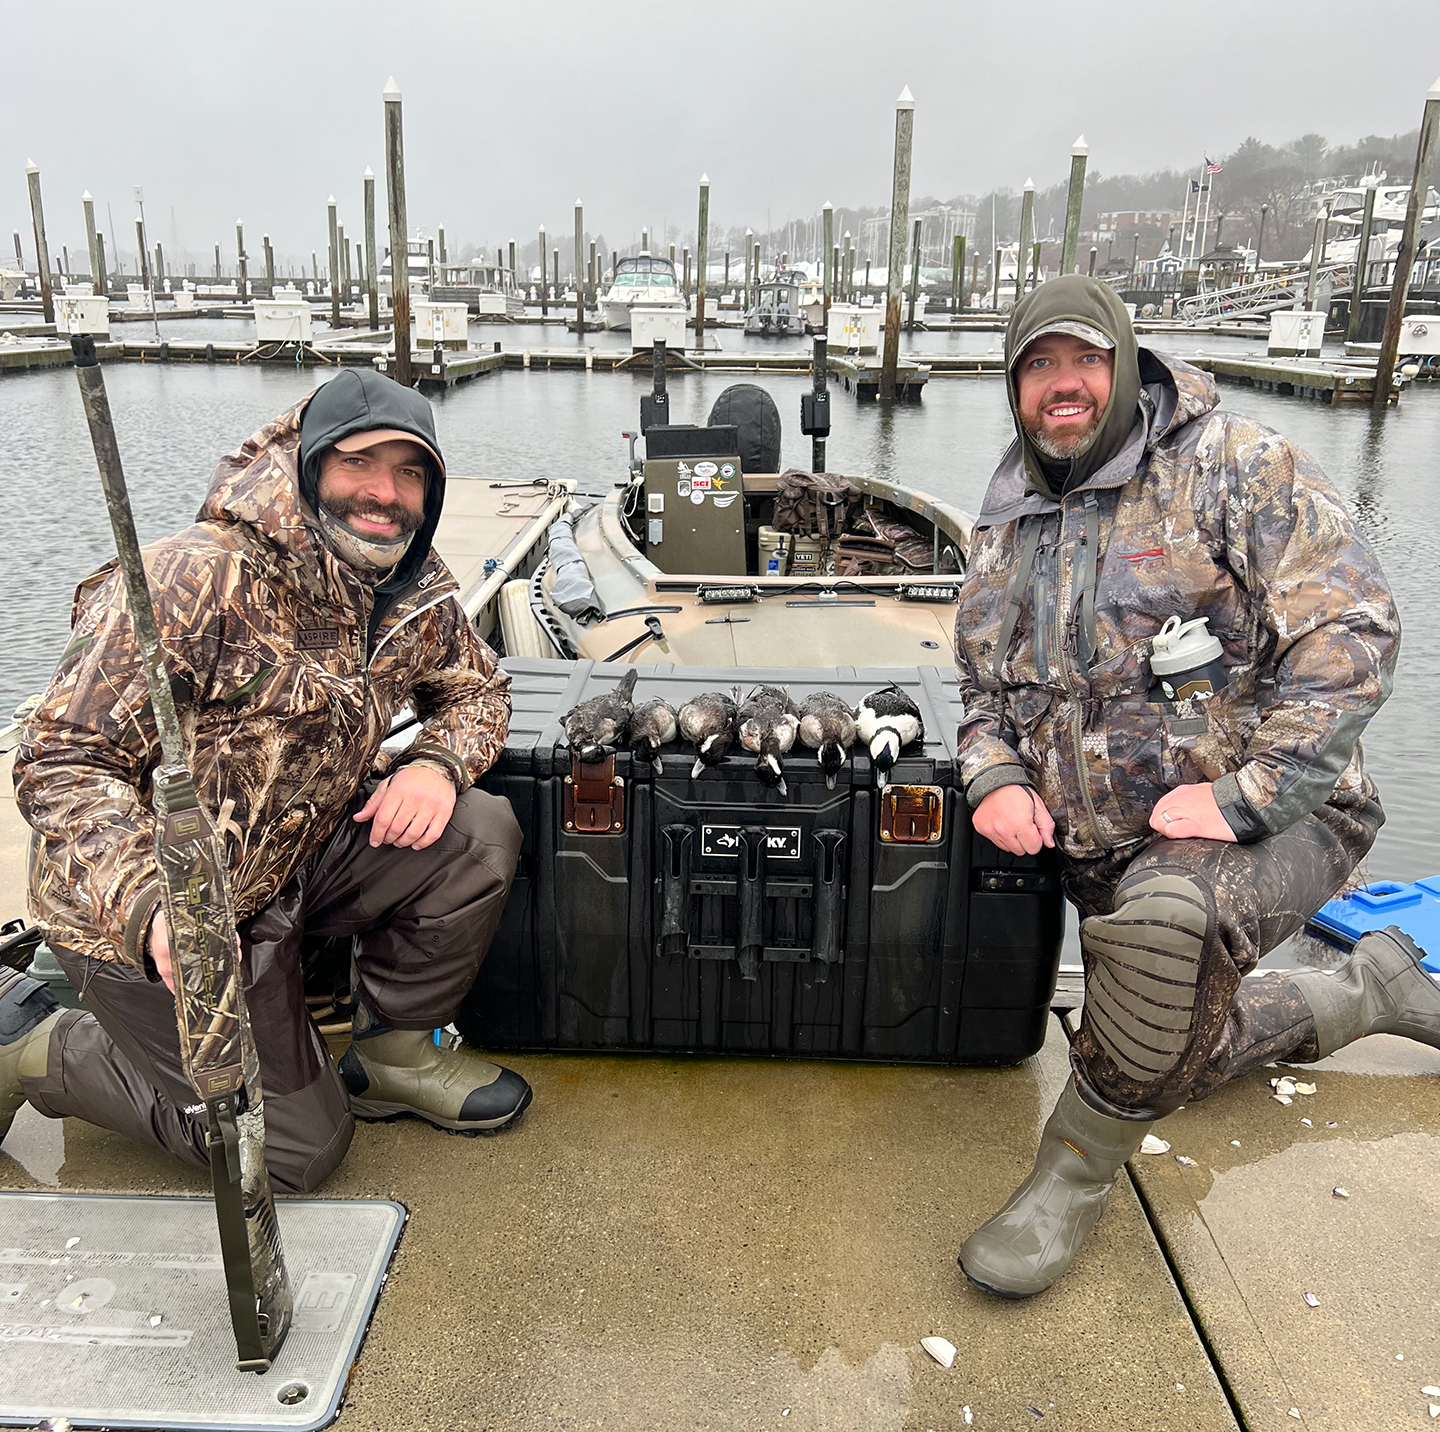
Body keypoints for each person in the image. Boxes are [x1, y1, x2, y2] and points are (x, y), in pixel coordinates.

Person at [953, 274, 1435, 1299]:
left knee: (1167, 937)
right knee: (1176, 1036)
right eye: (1040, 365)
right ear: (1015, 386)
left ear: (1127, 363)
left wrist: (1247, 795)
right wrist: (994, 772)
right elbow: (978, 694)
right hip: (1103, 852)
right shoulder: (1002, 527)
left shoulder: (1234, 467)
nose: (1065, 385)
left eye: (1086, 358)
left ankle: (1071, 1174)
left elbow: (1352, 633)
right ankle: (1365, 991)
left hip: (1274, 817)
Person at [1, 369, 528, 1191]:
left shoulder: (412, 590)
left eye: (411, 470)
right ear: (310, 464)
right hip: (153, 918)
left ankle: (391, 1054)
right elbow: (61, 757)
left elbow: (479, 689)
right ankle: (31, 1042)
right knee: (295, 1154)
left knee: (478, 832)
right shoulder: (193, 580)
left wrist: (437, 762)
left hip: (291, 863)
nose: (385, 493)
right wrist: (154, 903)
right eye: (361, 463)